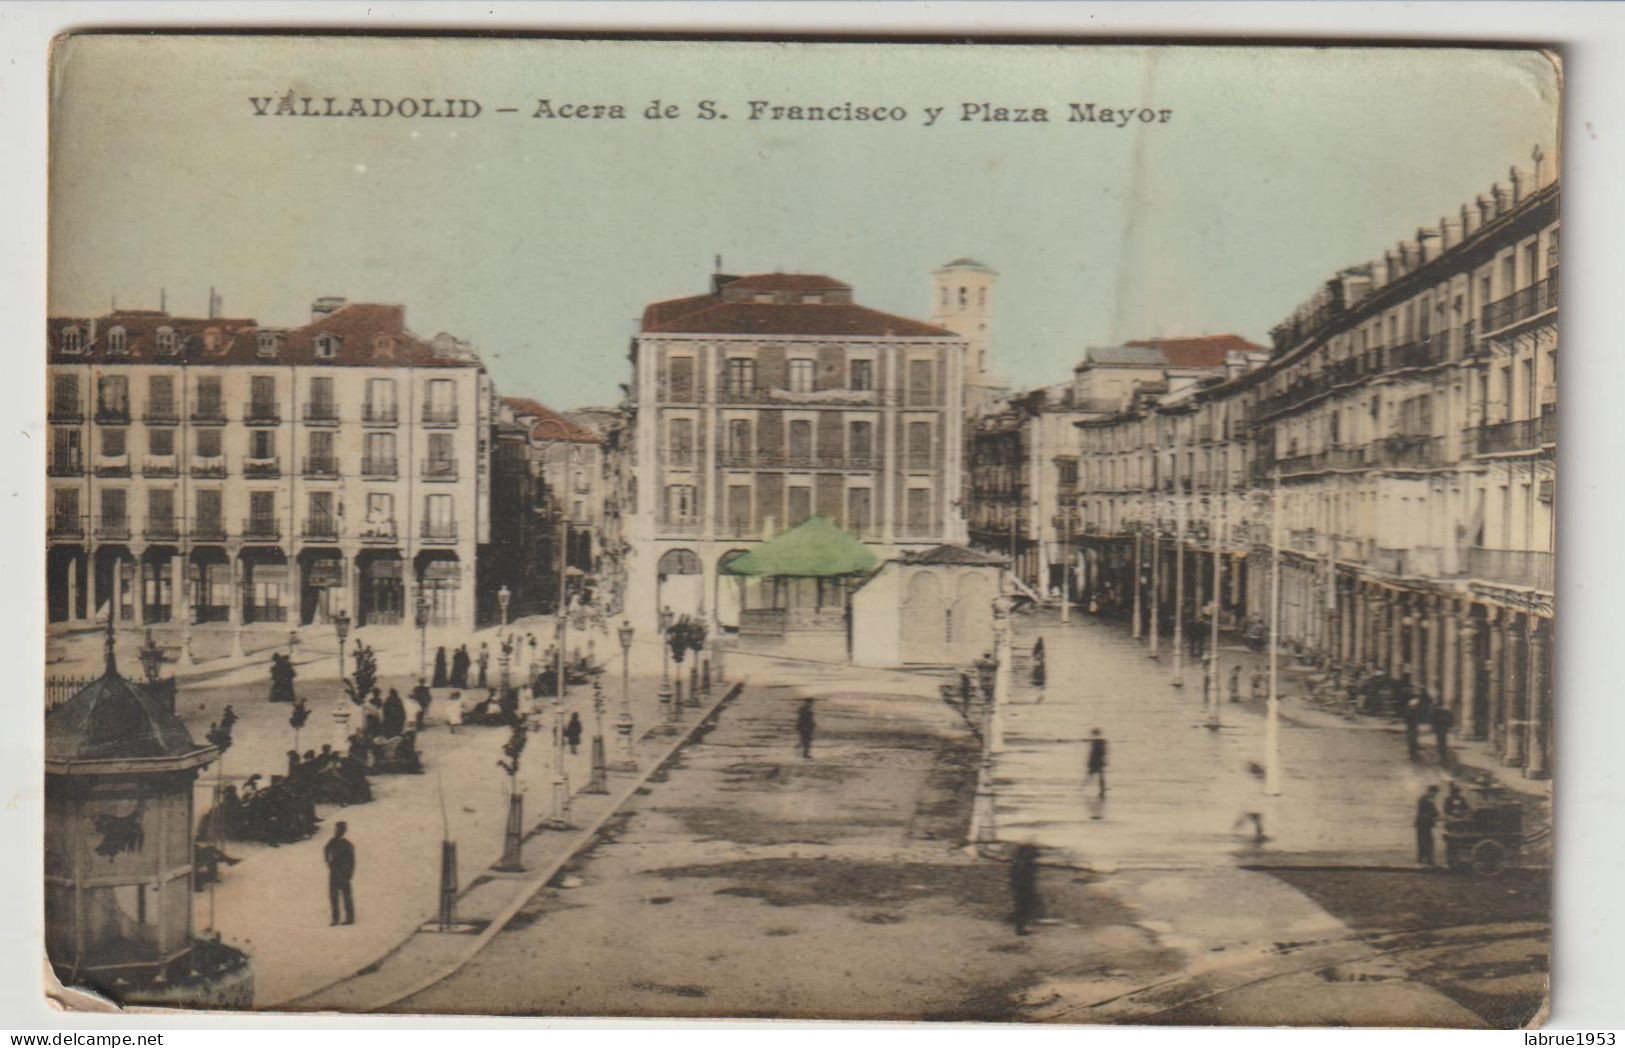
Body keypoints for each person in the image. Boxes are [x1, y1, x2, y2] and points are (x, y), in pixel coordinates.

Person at [324, 821, 356, 925]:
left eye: (338, 829)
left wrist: (349, 873)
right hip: (334, 872)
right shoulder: (332, 841)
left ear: (343, 830)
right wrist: (328, 861)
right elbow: (326, 849)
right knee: (333, 896)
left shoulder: (347, 844)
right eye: (336, 829)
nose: (336, 831)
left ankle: (350, 918)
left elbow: (352, 861)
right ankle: (335, 918)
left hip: (343, 873)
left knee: (346, 896)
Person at [1009, 843, 1041, 936]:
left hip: (1019, 886)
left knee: (1021, 907)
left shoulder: (1017, 861)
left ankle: (1020, 927)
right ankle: (1020, 929)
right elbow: (1028, 877)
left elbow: (1013, 875)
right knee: (1024, 907)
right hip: (1024, 887)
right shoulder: (1026, 863)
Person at [1415, 785, 1440, 866]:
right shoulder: (1424, 799)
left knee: (1426, 842)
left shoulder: (1428, 799)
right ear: (1431, 792)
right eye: (1435, 793)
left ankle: (1424, 860)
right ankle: (1426, 861)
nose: (1435, 795)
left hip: (1425, 824)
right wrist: (1435, 817)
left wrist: (1436, 815)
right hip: (1423, 824)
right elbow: (1426, 812)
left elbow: (1434, 811)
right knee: (1425, 842)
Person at [1085, 728, 1108, 799]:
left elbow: (1092, 753)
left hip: (1095, 761)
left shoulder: (1095, 742)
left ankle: (1083, 787)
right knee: (1100, 776)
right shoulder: (1102, 742)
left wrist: (1089, 761)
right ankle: (1102, 789)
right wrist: (1104, 760)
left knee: (1090, 775)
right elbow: (1104, 752)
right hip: (1099, 761)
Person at [1430, 700, 1456, 764]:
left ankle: (1441, 757)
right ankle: (1443, 757)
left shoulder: (1435, 711)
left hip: (1438, 729)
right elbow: (1451, 719)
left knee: (1440, 742)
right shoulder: (1447, 711)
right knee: (1443, 741)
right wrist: (1448, 726)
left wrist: (1433, 728)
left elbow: (1432, 720)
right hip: (1444, 729)